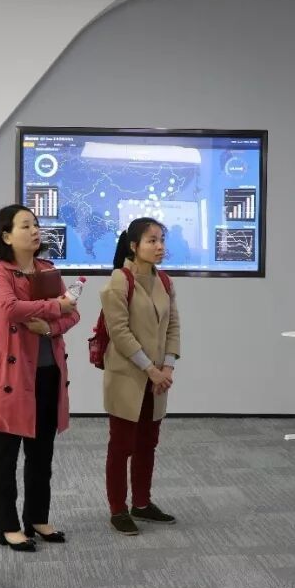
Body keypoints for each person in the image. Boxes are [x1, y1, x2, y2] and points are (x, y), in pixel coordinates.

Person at [0, 205, 81, 551]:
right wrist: (55, 308)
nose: (35, 230)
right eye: (26, 226)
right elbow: (9, 309)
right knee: (5, 454)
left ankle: (37, 517)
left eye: (36, 224)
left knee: (41, 453)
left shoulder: (47, 270)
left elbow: (73, 314)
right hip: (11, 374)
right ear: (6, 236)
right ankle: (7, 525)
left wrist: (50, 327)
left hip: (49, 371)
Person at [100, 217, 181, 535]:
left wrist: (168, 367)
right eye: (152, 240)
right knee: (122, 445)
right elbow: (119, 333)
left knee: (148, 442)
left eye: (162, 240)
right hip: (128, 376)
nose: (160, 246)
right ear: (134, 246)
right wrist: (151, 369)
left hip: (158, 377)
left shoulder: (165, 281)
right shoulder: (118, 281)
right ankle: (118, 509)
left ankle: (142, 503)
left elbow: (173, 326)